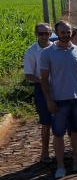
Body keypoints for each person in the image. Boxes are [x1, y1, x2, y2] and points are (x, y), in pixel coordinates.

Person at [39, 21, 77, 179]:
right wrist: (49, 100)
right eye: (62, 32)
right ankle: (60, 166)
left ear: (72, 33)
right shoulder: (47, 53)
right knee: (58, 134)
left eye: (68, 32)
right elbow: (43, 79)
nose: (66, 34)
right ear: (56, 33)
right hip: (59, 101)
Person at [23, 23, 53, 164]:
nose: (44, 36)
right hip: (42, 89)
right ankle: (45, 153)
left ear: (51, 33)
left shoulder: (56, 47)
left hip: (60, 87)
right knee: (46, 122)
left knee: (65, 119)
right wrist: (42, 81)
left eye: (47, 33)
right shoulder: (31, 51)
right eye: (41, 33)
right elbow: (28, 75)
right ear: (36, 34)